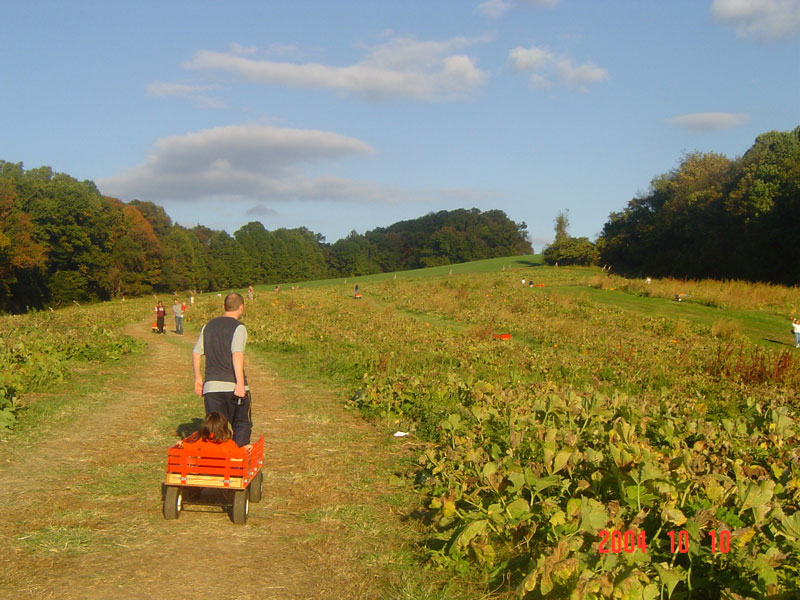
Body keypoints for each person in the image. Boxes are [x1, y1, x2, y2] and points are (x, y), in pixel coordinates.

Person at [192, 292, 252, 447]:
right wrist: (239, 383)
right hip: (233, 387)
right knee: (242, 424)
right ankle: (236, 462)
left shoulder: (208, 326)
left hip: (212, 388)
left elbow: (196, 352)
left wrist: (198, 379)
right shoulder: (239, 328)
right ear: (241, 308)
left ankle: (216, 465)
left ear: (223, 307)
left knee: (216, 428)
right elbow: (237, 354)